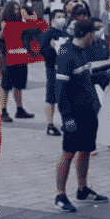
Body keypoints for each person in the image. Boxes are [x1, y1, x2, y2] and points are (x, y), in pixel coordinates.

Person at [54, 19, 110, 213]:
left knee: (86, 149)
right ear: (86, 35)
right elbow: (59, 90)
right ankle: (60, 195)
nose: (95, 38)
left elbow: (84, 77)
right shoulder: (66, 54)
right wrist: (66, 117)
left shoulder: (83, 51)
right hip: (74, 113)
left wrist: (103, 75)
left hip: (89, 111)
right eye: (93, 35)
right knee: (68, 153)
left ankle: (82, 188)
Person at [0, 1, 35, 122]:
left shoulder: (21, 22)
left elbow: (30, 34)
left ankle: (19, 109)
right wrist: (2, 32)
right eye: (15, 9)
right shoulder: (3, 23)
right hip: (8, 57)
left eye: (18, 9)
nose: (17, 11)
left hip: (21, 56)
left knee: (19, 84)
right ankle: (3, 111)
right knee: (6, 85)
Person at [40, 9, 67, 137]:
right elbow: (43, 52)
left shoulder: (66, 33)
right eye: (58, 17)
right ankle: (50, 125)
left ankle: (66, 122)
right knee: (51, 96)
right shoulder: (47, 34)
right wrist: (51, 47)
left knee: (65, 96)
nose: (61, 19)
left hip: (66, 69)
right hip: (52, 69)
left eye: (63, 16)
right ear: (52, 20)